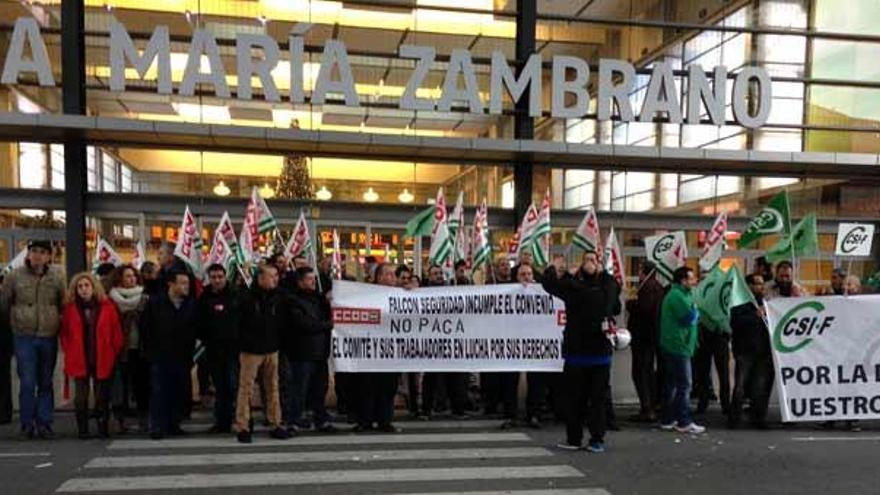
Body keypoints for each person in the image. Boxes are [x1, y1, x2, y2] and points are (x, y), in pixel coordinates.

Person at [542, 251, 621, 453]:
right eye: (586, 260)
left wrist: (562, 271)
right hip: (577, 353)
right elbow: (549, 284)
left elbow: (612, 301)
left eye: (593, 260)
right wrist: (556, 267)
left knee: (597, 400)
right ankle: (575, 439)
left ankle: (596, 439)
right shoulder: (576, 287)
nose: (589, 263)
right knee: (574, 400)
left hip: (598, 354)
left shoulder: (602, 286)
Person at [1, 239, 66, 439]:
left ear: (49, 256)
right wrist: (13, 325)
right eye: (33, 251)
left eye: (41, 252)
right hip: (24, 335)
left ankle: (45, 422)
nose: (37, 255)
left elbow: (62, 303)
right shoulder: (14, 276)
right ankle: (27, 423)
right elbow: (5, 303)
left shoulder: (57, 276)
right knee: (28, 381)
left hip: (48, 335)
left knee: (45, 381)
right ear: (28, 254)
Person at [60, 272, 124, 439]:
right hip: (79, 358)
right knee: (80, 398)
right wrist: (69, 350)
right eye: (79, 286)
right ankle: (83, 429)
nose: (83, 289)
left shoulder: (107, 306)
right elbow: (65, 333)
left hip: (102, 357)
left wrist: (113, 351)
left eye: (86, 285)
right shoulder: (70, 309)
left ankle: (103, 427)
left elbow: (116, 332)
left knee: (101, 396)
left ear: (94, 287)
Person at [235, 264, 290, 443]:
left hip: (272, 349)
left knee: (273, 388)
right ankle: (243, 425)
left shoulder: (278, 297)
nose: (276, 279)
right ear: (260, 278)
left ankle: (276, 423)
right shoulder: (246, 297)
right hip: (250, 350)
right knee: (246, 390)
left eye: (276, 275)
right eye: (271, 275)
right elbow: (237, 323)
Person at [139, 267, 197, 440]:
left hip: (182, 355)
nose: (186, 286)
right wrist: (151, 350)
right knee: (159, 391)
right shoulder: (156, 303)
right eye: (182, 283)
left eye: (187, 283)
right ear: (171, 284)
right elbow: (145, 327)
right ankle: (157, 426)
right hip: (160, 354)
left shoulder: (190, 304)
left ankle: (174, 423)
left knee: (178, 390)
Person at [285, 266, 336, 433]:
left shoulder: (318, 299)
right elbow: (303, 324)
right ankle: (293, 420)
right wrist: (327, 325)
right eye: (309, 279)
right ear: (300, 282)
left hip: (320, 351)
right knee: (299, 388)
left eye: (314, 279)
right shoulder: (292, 300)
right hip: (302, 352)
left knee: (320, 388)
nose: (313, 282)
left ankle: (320, 419)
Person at [354, 263, 403, 432]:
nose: (391, 278)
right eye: (387, 274)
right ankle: (365, 420)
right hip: (371, 349)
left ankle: (385, 420)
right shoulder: (367, 294)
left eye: (393, 275)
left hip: (392, 350)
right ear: (379, 277)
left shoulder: (402, 295)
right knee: (367, 387)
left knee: (388, 387)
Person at [419, 264, 469, 420]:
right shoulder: (422, 293)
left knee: (455, 377)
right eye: (435, 273)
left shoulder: (451, 290)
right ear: (429, 276)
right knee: (431, 378)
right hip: (432, 342)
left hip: (451, 341)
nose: (439, 276)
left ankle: (457, 409)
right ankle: (426, 410)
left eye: (440, 273)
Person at [659, 266, 705, 434]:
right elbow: (688, 319)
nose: (694, 281)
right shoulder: (678, 296)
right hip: (678, 345)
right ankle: (684, 421)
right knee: (684, 385)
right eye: (691, 279)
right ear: (683, 281)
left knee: (671, 384)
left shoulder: (679, 294)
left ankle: (668, 419)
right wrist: (696, 311)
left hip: (675, 344)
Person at [196, 264, 241, 434]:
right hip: (213, 350)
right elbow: (199, 320)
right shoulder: (205, 296)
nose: (217, 280)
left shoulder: (235, 294)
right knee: (220, 387)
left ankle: (240, 419)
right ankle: (221, 421)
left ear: (225, 276)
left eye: (220, 277)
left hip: (233, 349)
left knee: (233, 386)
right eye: (213, 277)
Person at [728, 274, 774, 430]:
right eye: (758, 284)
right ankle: (734, 418)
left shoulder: (765, 301)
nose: (761, 287)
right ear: (748, 286)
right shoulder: (739, 303)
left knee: (759, 386)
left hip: (763, 350)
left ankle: (758, 418)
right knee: (740, 385)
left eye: (762, 284)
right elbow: (736, 323)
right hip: (745, 351)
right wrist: (755, 316)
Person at [108, 265, 150, 434]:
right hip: (119, 349)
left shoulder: (145, 298)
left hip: (140, 348)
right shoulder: (111, 300)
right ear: (119, 279)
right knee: (120, 386)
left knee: (142, 385)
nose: (131, 279)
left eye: (133, 276)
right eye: (127, 276)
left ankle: (144, 419)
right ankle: (120, 420)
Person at [626, 262, 664, 422]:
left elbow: (644, 310)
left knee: (641, 372)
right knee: (647, 371)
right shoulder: (657, 287)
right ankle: (651, 405)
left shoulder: (648, 287)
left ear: (643, 271)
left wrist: (630, 304)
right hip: (650, 336)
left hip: (643, 336)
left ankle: (647, 408)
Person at [483, 259, 519, 426]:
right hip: (492, 337)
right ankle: (490, 406)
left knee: (510, 377)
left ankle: (510, 408)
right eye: (502, 265)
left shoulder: (517, 286)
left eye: (507, 265)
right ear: (496, 269)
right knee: (492, 376)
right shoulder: (489, 285)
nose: (505, 267)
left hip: (512, 338)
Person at [396, 265, 422, 418]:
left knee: (413, 377)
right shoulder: (387, 294)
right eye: (402, 278)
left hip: (412, 343)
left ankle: (414, 407)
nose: (405, 281)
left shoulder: (416, 295)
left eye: (408, 278)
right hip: (394, 343)